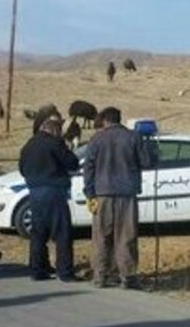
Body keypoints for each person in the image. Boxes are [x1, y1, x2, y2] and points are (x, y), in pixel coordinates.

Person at [83, 107, 152, 289]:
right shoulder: (133, 137)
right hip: (127, 195)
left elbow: (88, 168)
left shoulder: (96, 139)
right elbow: (146, 161)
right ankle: (127, 276)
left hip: (102, 194)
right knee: (126, 236)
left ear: (105, 120)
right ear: (119, 119)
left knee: (101, 237)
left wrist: (90, 194)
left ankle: (100, 276)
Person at [18, 114, 80, 282]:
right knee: (62, 232)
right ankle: (65, 271)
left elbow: (22, 168)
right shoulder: (55, 143)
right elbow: (72, 163)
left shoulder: (28, 145)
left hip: (34, 192)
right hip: (54, 191)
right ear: (55, 130)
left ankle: (37, 270)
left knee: (38, 233)